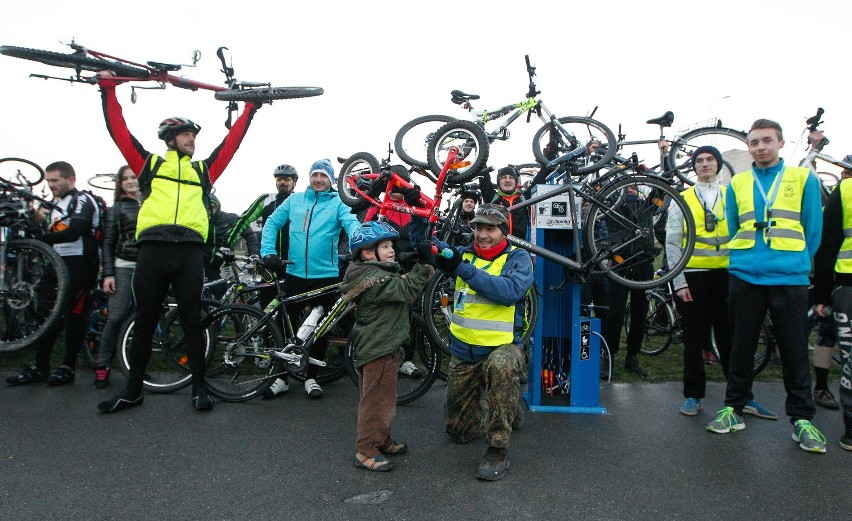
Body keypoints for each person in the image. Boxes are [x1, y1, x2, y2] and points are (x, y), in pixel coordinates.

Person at [95, 70, 261, 413]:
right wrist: (108, 89)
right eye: (186, 134)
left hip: (189, 253)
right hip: (153, 251)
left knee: (192, 321)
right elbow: (118, 131)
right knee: (144, 322)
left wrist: (250, 109)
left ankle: (199, 388)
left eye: (194, 135)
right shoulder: (149, 165)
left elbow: (231, 144)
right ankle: (132, 390)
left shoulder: (203, 171)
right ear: (170, 138)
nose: (193, 140)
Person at [706, 119, 827, 453]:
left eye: (766, 141)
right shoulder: (739, 182)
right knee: (741, 346)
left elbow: (812, 229)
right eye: (754, 142)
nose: (760, 147)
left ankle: (802, 420)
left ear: (781, 143)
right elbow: (733, 226)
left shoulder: (803, 179)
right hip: (745, 274)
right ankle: (734, 408)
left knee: (793, 349)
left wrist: (797, 261)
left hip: (789, 277)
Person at [424, 203, 533, 481]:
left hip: (503, 348)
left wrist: (462, 269)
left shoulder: (518, 258)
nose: (483, 235)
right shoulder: (466, 253)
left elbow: (509, 291)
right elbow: (438, 255)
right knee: (458, 433)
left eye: (490, 229)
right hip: (464, 352)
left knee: (502, 366)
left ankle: (498, 448)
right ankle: (506, 409)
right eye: (478, 228)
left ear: (503, 231)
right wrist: (427, 242)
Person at [665, 146, 770, 416]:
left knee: (732, 339)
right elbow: (673, 242)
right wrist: (679, 283)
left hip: (728, 277)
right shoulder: (683, 197)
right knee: (694, 340)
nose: (704, 164)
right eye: (699, 161)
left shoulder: (731, 196)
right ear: (693, 167)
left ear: (719, 164)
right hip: (694, 278)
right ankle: (693, 396)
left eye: (710, 159)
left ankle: (742, 396)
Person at [260, 158, 361, 399]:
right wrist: (268, 251)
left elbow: (352, 224)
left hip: (325, 276)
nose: (318, 179)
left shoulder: (339, 203)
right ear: (309, 178)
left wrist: (363, 244)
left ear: (331, 180)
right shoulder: (295, 200)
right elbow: (272, 223)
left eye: (323, 176)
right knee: (288, 326)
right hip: (294, 274)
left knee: (319, 330)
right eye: (315, 175)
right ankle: (281, 378)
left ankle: (312, 378)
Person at [340, 221, 435, 472]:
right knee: (374, 403)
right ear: (367, 253)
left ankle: (381, 440)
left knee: (385, 400)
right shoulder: (372, 278)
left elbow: (402, 285)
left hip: (385, 346)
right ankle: (366, 450)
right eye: (385, 246)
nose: (392, 250)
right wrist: (425, 265)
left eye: (392, 245)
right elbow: (405, 288)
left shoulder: (376, 273)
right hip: (377, 349)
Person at [6, 161, 100, 387]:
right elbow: (39, 227)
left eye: (55, 180)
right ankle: (40, 367)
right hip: (55, 262)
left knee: (73, 315)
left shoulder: (83, 200)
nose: (51, 185)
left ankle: (67, 366)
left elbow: (75, 231)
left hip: (81, 264)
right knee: (44, 314)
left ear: (71, 179)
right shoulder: (53, 203)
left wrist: (39, 240)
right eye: (48, 181)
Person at [811, 157, 852, 451]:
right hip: (845, 282)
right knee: (833, 340)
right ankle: (822, 387)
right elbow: (827, 243)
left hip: (841, 282)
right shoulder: (844, 191)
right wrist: (823, 293)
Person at [94, 165, 141, 388]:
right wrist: (108, 274)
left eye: (135, 177)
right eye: (126, 179)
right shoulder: (117, 208)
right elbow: (108, 242)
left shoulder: (152, 203)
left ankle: (136, 369)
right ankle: (102, 366)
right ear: (120, 184)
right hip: (124, 266)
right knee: (116, 317)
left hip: (148, 268)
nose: (131, 181)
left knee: (142, 321)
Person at [203, 194, 259, 300]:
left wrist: (254, 253)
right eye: (207, 207)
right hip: (201, 262)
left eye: (213, 206)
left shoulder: (231, 218)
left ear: (218, 206)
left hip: (220, 264)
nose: (210, 210)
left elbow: (250, 235)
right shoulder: (200, 220)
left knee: (222, 294)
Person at [478, 166, 530, 239]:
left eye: (511, 177)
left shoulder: (524, 198)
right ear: (498, 182)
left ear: (516, 182)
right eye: (503, 177)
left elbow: (541, 177)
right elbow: (483, 171)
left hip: (520, 247)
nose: (507, 180)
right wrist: (482, 157)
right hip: (498, 246)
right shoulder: (492, 197)